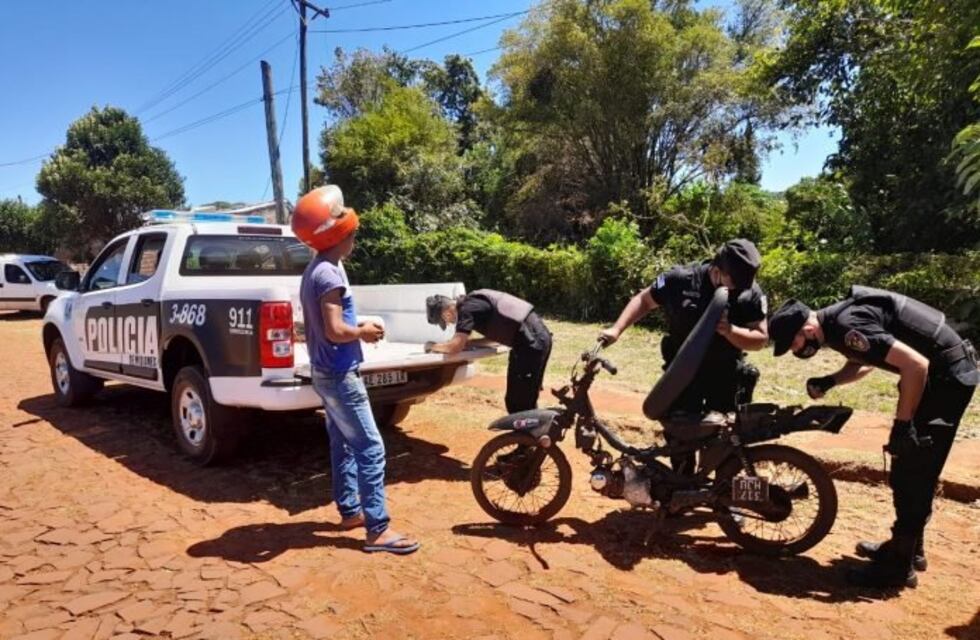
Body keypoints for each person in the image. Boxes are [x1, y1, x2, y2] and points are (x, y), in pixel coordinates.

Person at [769, 288, 979, 588]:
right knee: (911, 465)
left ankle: (898, 567)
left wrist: (902, 425)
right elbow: (865, 362)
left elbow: (916, 365)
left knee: (914, 466)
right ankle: (909, 549)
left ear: (808, 329)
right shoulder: (836, 325)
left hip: (946, 378)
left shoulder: (846, 324)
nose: (795, 350)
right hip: (941, 374)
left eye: (794, 342)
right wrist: (831, 381)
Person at [294, 185, 420, 556]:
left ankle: (350, 511)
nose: (354, 238)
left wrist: (358, 324)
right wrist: (362, 331)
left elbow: (329, 324)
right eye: (351, 233)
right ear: (338, 236)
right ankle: (377, 530)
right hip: (339, 374)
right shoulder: (329, 275)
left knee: (343, 443)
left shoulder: (317, 270)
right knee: (370, 446)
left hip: (325, 371)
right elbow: (335, 330)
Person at [599, 239, 769, 473]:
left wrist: (730, 331)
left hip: (724, 375)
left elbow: (761, 338)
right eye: (734, 284)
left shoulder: (750, 293)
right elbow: (644, 300)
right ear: (717, 271)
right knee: (680, 437)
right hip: (681, 375)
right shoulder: (680, 279)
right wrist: (616, 329)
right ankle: (682, 487)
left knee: (726, 444)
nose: (738, 290)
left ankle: (722, 491)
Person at [424, 290, 552, 414]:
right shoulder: (473, 303)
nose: (448, 323)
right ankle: (536, 426)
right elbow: (494, 338)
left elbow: (454, 347)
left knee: (519, 403)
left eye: (444, 321)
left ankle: (538, 427)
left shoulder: (466, 310)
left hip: (530, 342)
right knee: (519, 399)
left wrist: (432, 346)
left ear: (446, 313)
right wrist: (469, 343)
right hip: (533, 338)